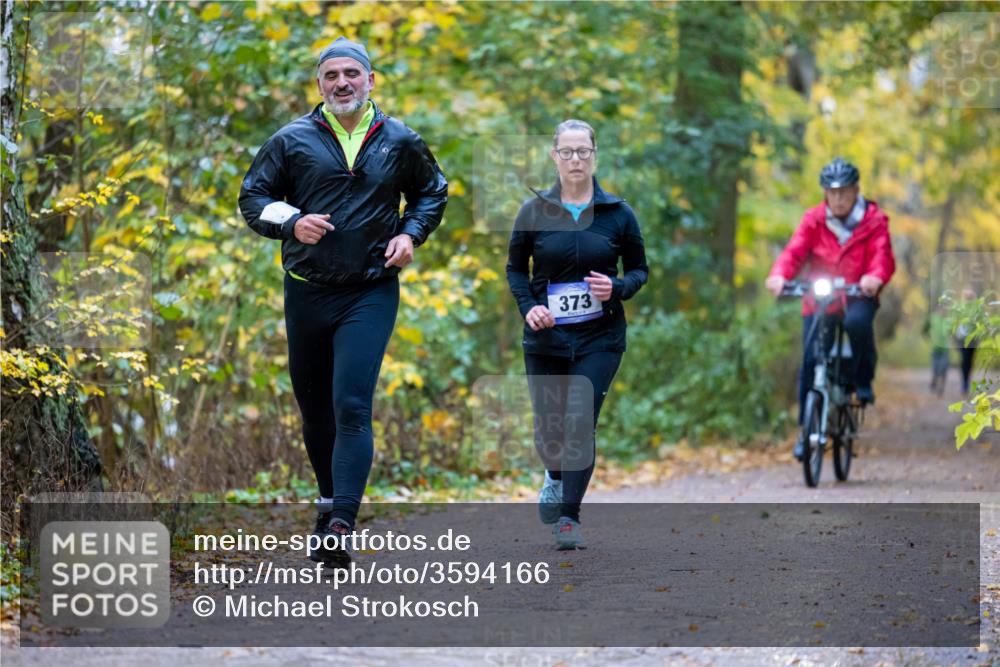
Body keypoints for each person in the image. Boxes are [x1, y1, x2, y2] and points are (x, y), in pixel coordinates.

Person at [239, 37, 448, 565]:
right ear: (319, 84)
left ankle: (341, 523)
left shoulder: (400, 140)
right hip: (307, 291)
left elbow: (432, 191)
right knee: (315, 412)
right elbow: (253, 198)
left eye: (351, 73)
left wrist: (411, 234)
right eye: (331, 75)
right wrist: (292, 221)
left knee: (351, 404)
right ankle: (328, 502)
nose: (342, 83)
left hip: (369, 290)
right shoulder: (291, 140)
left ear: (370, 80)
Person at [506, 120, 648, 549]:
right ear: (554, 157)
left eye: (583, 151)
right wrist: (530, 308)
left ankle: (569, 517)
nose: (575, 159)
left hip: (600, 336)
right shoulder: (533, 212)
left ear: (594, 156)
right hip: (546, 337)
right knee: (550, 429)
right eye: (567, 152)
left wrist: (617, 287)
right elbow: (516, 270)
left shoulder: (618, 214)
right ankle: (554, 474)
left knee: (579, 421)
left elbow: (639, 270)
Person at [765, 157, 895, 461]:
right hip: (820, 298)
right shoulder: (813, 219)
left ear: (856, 191)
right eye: (832, 192)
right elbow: (794, 251)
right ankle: (805, 431)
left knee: (857, 324)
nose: (838, 198)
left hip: (858, 293)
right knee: (811, 360)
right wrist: (779, 275)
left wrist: (875, 277)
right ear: (825, 192)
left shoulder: (874, 220)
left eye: (844, 192)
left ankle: (862, 380)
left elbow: (882, 255)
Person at [956, 288, 979, 396]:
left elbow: (978, 325)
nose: (968, 299)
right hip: (963, 340)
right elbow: (956, 324)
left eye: (970, 297)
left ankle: (967, 381)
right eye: (967, 297)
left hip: (973, 340)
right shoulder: (960, 309)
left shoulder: (976, 310)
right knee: (964, 361)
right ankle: (964, 383)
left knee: (969, 362)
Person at [928, 303, 951, 396]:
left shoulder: (948, 320)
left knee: (943, 369)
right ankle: (934, 380)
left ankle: (941, 388)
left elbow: (952, 332)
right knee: (935, 369)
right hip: (935, 348)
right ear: (938, 309)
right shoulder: (933, 319)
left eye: (945, 309)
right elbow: (925, 330)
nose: (943, 311)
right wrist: (930, 337)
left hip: (945, 349)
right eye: (942, 309)